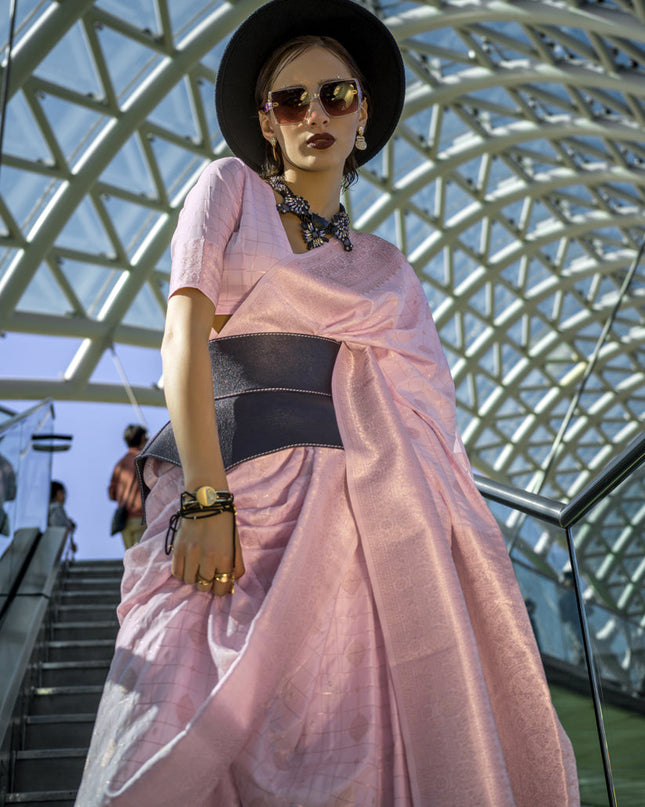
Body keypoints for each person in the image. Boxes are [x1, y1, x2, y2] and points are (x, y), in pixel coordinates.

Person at [76, 2, 580, 804]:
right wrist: (206, 499)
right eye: (290, 100)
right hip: (236, 503)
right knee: (183, 719)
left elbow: (423, 414)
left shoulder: (382, 263)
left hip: (361, 529)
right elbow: (183, 342)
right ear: (265, 124)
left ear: (364, 114)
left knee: (352, 744)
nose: (314, 114)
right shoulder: (227, 186)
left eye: (335, 96)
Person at [108, 424, 147, 550]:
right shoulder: (146, 459)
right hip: (142, 517)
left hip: (124, 520)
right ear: (142, 438)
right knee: (142, 559)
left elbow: (111, 493)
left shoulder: (119, 464)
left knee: (131, 556)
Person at [48, 480, 78, 553]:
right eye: (62, 493)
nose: (64, 497)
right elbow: (60, 525)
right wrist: (70, 525)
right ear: (56, 493)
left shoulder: (48, 508)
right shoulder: (56, 508)